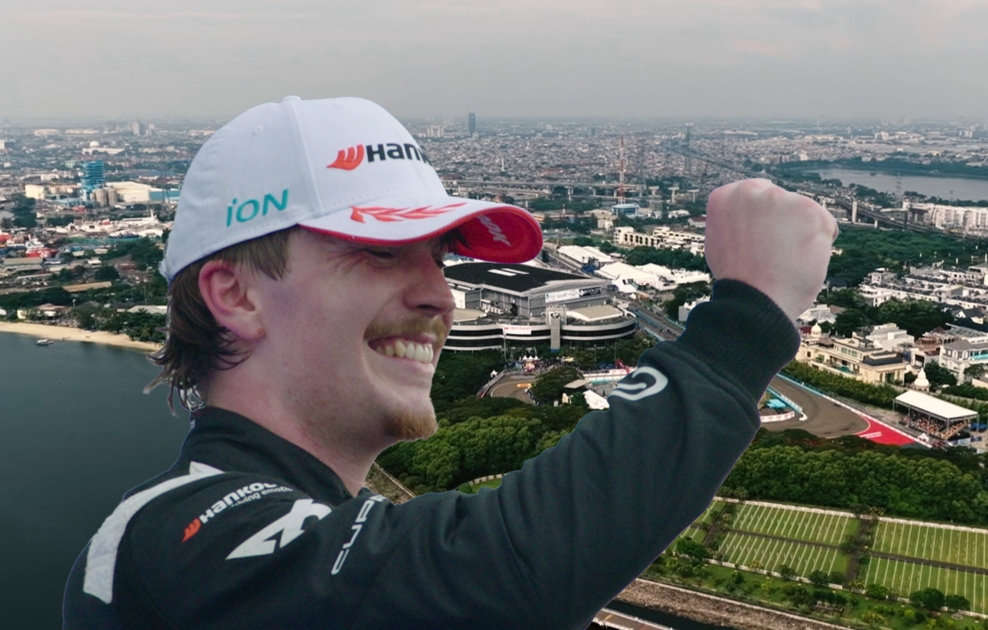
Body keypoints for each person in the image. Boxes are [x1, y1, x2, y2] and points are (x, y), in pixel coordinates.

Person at [63, 96, 836, 629]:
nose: (440, 294)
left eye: (438, 256)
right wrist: (743, 323)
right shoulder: (168, 542)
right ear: (236, 295)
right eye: (380, 252)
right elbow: (494, 578)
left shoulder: (266, 547)